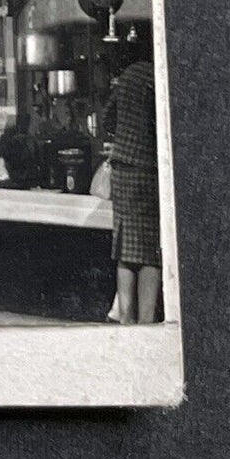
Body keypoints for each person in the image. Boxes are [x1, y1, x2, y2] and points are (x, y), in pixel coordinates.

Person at [104, 31, 161, 324]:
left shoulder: (126, 77)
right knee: (150, 249)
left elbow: (107, 119)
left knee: (125, 246)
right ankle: (147, 319)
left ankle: (125, 316)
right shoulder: (157, 77)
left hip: (121, 169)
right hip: (147, 169)